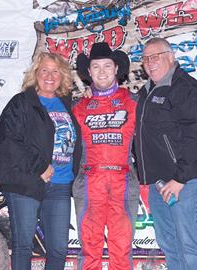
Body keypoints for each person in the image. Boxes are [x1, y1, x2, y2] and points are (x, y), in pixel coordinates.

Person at [134, 37, 197, 270]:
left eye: (155, 57)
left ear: (171, 57)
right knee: (169, 244)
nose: (150, 63)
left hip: (186, 181)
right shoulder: (146, 91)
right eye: (145, 59)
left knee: (191, 245)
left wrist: (180, 178)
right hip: (159, 183)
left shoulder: (185, 88)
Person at [0, 52, 81, 270]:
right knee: (24, 246)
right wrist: (39, 166)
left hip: (61, 186)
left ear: (62, 76)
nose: (49, 76)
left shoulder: (67, 105)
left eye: (55, 71)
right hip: (28, 184)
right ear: (36, 74)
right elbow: (9, 142)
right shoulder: (21, 103)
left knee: (59, 249)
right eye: (44, 70)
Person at [72, 42, 140, 270]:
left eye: (107, 66)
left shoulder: (135, 102)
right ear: (88, 72)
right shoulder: (78, 106)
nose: (102, 72)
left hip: (123, 180)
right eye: (96, 67)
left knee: (121, 249)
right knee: (89, 248)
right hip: (90, 181)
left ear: (117, 69)